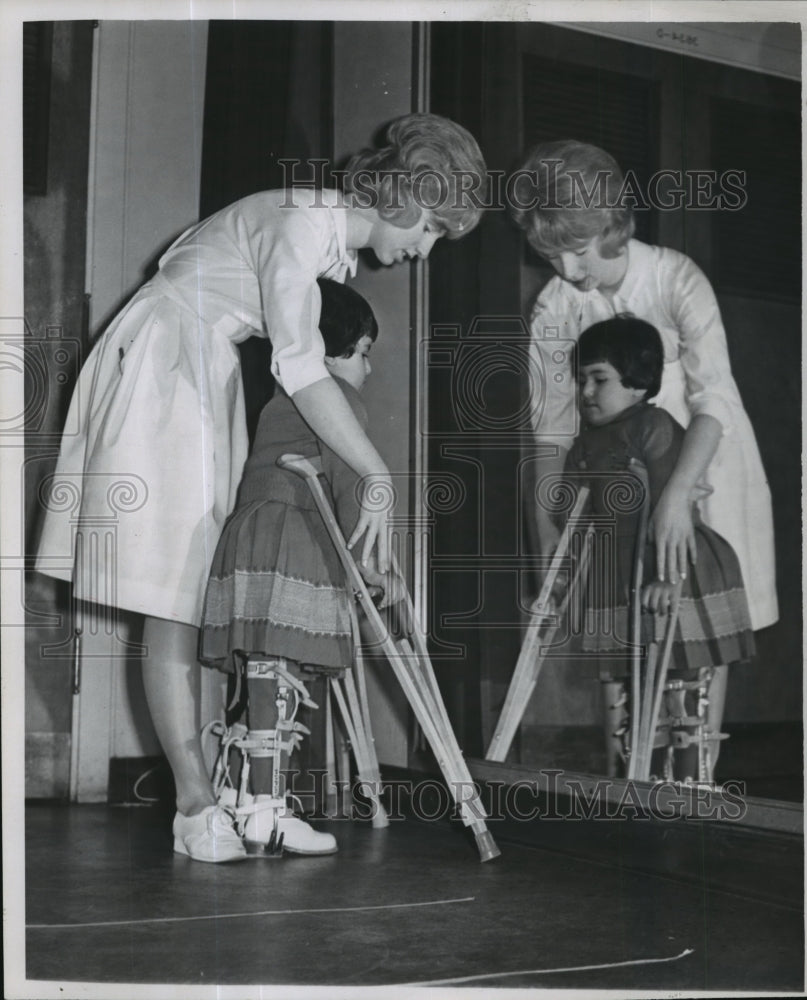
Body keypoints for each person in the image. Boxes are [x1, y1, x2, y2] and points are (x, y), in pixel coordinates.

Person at [36, 113, 487, 862]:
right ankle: (192, 807)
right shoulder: (301, 225)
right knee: (172, 596)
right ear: (403, 197)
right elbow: (300, 366)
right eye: (432, 227)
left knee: (187, 593)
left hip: (196, 373)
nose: (423, 249)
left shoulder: (318, 247)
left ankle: (233, 805)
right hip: (166, 369)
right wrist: (376, 471)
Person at [510, 139, 777, 636]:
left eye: (577, 252)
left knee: (703, 622)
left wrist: (676, 495)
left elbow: (714, 396)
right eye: (550, 255)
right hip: (620, 475)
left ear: (611, 227)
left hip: (702, 458)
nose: (568, 271)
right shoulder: (555, 305)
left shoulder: (676, 279)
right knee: (628, 628)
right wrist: (543, 530)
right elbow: (550, 428)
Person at [198, 278, 397, 856]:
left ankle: (242, 797)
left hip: (250, 535)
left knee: (258, 668)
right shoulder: (334, 399)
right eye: (363, 352)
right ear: (330, 352)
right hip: (294, 537)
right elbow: (350, 488)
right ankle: (268, 810)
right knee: (280, 672)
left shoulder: (278, 401)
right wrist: (370, 569)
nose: (368, 368)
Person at [564, 316, 756, 782]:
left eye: (599, 379)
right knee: (633, 693)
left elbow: (677, 516)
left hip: (675, 570)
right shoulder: (585, 443)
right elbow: (574, 515)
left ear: (637, 381)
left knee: (682, 691)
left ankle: (691, 787)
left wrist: (667, 579)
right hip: (620, 579)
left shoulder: (654, 426)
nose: (586, 391)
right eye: (581, 379)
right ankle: (640, 790)